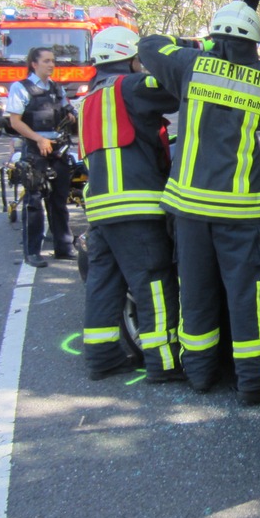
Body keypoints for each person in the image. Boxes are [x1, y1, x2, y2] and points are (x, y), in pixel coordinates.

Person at [138, 1, 260, 402]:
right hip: (243, 213)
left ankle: (201, 374)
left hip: (190, 210)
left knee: (195, 292)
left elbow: (148, 45)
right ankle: (254, 382)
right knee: (247, 297)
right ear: (256, 43)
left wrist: (188, 42)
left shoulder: (190, 65)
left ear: (214, 36)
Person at [78, 27, 184, 382]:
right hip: (136, 206)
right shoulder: (131, 87)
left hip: (101, 209)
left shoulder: (89, 97)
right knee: (153, 280)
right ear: (131, 58)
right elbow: (178, 88)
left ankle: (102, 357)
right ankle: (164, 363)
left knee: (103, 283)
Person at [7, 47, 75, 268]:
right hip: (36, 150)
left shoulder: (56, 88)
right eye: (46, 61)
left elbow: (68, 109)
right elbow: (16, 122)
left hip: (57, 148)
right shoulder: (21, 88)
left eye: (53, 61)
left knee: (59, 200)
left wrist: (72, 116)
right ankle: (32, 252)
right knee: (34, 202)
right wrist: (38, 139)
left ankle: (63, 248)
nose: (51, 64)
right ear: (34, 64)